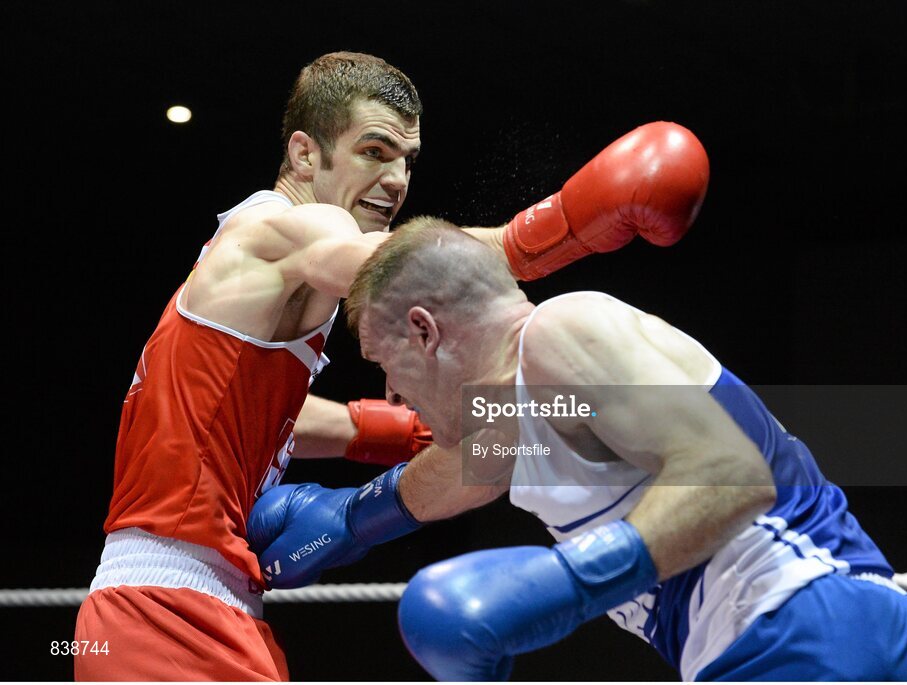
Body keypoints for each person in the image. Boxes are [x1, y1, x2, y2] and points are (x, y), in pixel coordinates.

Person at [74, 45, 710, 680]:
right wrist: (568, 222)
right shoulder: (284, 228)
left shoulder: (271, 276)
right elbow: (429, 273)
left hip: (165, 605)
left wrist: (397, 433)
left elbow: (238, 413)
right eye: (374, 152)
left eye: (407, 160)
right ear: (303, 153)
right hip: (169, 604)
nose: (397, 180)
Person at [249, 221, 907, 681]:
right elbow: (466, 471)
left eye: (385, 361)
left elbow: (729, 474)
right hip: (868, 625)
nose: (393, 390)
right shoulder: (535, 400)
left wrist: (569, 584)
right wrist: (349, 519)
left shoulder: (564, 331)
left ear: (424, 330)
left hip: (792, 626)